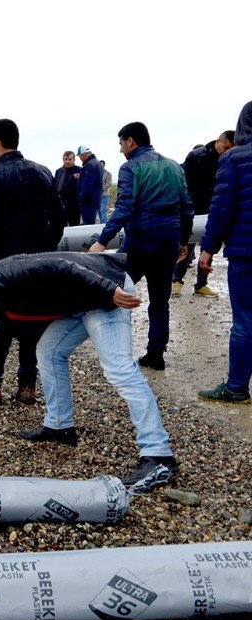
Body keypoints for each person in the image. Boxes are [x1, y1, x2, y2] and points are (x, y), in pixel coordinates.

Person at [0, 254, 179, 494]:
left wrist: (108, 289)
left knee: (118, 369)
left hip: (105, 292)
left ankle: (158, 454)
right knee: (48, 351)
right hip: (80, 302)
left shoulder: (2, 274)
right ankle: (59, 426)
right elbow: (2, 329)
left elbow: (60, 266)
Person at [0, 119, 65, 402]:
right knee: (32, 322)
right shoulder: (42, 172)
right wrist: (47, 247)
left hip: (4, 263)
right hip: (37, 261)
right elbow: (60, 217)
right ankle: (27, 384)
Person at [90, 122, 194, 371]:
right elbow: (187, 207)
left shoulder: (130, 167)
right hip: (168, 240)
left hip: (141, 241)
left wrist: (102, 241)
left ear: (131, 142)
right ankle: (156, 354)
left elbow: (124, 207)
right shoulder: (173, 166)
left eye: (121, 144)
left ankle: (111, 351)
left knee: (114, 291)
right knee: (160, 299)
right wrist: (183, 240)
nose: (120, 150)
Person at [197, 102, 252, 403]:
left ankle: (236, 387)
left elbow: (221, 209)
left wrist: (207, 249)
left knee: (245, 320)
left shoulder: (233, 158)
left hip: (246, 253)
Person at [173, 130, 236, 297]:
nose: (226, 151)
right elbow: (182, 181)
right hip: (192, 208)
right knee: (187, 244)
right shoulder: (196, 156)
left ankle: (201, 284)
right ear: (217, 142)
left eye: (231, 149)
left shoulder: (229, 160)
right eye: (225, 147)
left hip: (211, 208)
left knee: (209, 246)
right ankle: (176, 281)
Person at [76, 146, 104, 225]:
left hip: (88, 201)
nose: (80, 158)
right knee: (91, 223)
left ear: (83, 154)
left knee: (89, 226)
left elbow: (87, 184)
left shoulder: (89, 165)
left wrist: (81, 198)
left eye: (79, 156)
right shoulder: (97, 163)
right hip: (94, 199)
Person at [55, 150, 82, 227]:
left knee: (75, 227)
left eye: (70, 159)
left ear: (74, 160)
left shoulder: (79, 170)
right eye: (65, 159)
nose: (67, 161)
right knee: (60, 228)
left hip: (74, 205)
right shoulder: (58, 171)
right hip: (61, 205)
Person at [99, 160, 113, 225]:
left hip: (105, 195)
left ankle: (104, 225)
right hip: (98, 196)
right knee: (99, 211)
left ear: (104, 165)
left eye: (102, 164)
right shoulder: (97, 173)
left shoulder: (108, 173)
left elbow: (109, 183)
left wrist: (101, 189)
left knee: (103, 210)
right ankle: (101, 224)